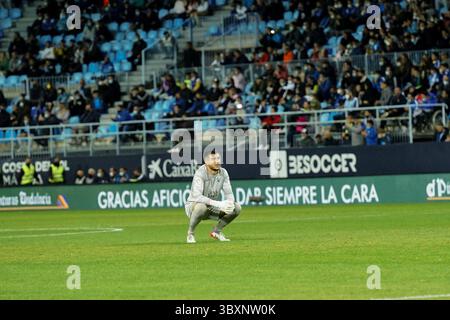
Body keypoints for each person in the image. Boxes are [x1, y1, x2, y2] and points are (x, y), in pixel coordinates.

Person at [185, 150, 241, 244]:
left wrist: (230, 203)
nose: (217, 161)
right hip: (193, 207)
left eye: (218, 158)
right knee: (201, 206)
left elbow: (229, 194)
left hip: (211, 207)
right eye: (213, 159)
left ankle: (217, 232)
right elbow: (197, 197)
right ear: (206, 161)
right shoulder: (200, 173)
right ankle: (190, 234)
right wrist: (219, 204)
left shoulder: (223, 173)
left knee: (236, 208)